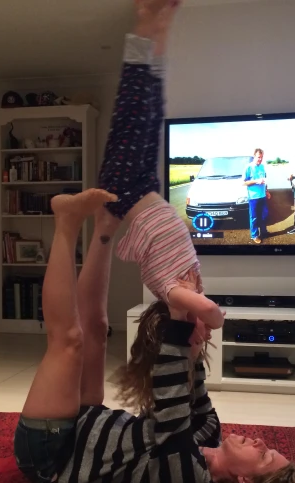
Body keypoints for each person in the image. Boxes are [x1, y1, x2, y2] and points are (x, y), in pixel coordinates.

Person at [14, 188, 295, 483]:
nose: (260, 443)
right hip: (86, 420)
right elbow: (191, 390)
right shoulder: (208, 436)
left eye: (265, 456)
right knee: (97, 329)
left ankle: (65, 223)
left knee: (68, 342)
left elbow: (171, 406)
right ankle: (103, 229)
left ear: (245, 482)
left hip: (53, 457)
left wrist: (180, 319)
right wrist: (193, 338)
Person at [95, 0, 223, 331]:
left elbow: (212, 314)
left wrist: (206, 324)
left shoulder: (173, 294)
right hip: (143, 188)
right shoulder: (185, 289)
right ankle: (161, 30)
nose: (204, 334)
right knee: (154, 106)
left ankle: (145, 19)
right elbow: (205, 308)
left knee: (134, 102)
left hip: (124, 187)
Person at [243, 148, 271, 244]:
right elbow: (244, 183)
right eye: (259, 157)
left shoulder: (262, 167)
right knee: (254, 217)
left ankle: (263, 232)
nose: (260, 159)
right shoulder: (248, 167)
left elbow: (264, 180)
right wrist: (256, 181)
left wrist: (267, 191)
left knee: (264, 215)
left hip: (262, 195)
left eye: (262, 157)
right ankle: (254, 235)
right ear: (254, 156)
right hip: (253, 197)